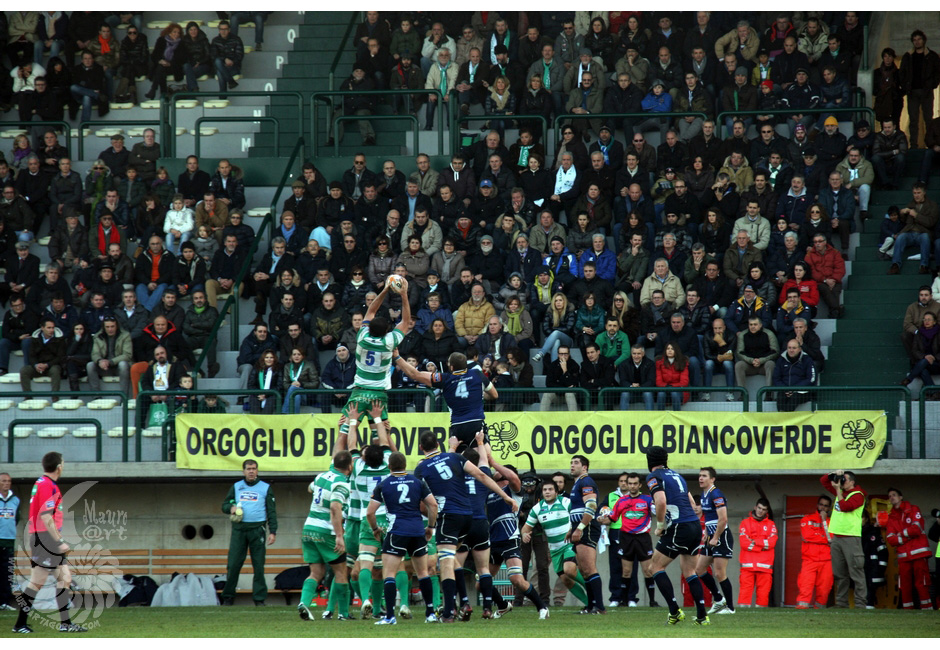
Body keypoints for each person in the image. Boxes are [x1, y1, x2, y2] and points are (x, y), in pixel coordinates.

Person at [414, 430, 517, 622]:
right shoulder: (455, 458)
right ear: (438, 445)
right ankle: (465, 603)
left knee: (445, 563)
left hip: (448, 517)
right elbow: (481, 474)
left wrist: (430, 524)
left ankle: (449, 611)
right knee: (454, 560)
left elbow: (425, 502)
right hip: (468, 517)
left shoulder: (421, 468)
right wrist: (505, 496)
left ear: (421, 448)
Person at [12, 451, 86, 633]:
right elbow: (46, 517)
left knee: (64, 578)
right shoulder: (46, 485)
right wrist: (59, 541)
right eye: (63, 463)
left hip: (45, 538)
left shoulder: (44, 483)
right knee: (37, 581)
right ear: (59, 467)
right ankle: (20, 624)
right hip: (45, 538)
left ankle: (65, 623)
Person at [366, 447, 440, 625]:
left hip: (397, 531)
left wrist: (375, 529)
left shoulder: (384, 485)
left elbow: (370, 512)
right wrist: (431, 527)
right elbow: (433, 505)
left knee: (389, 574)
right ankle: (430, 613)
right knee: (423, 573)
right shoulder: (417, 482)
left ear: (389, 466)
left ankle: (390, 616)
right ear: (405, 465)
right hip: (417, 531)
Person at [645, 445, 710, 625]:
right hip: (694, 525)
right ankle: (702, 616)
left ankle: (674, 611)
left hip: (679, 527)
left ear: (649, 461)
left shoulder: (654, 476)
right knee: (690, 571)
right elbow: (692, 502)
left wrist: (660, 526)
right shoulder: (677, 476)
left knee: (655, 568)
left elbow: (661, 501)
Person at [299, 443, 353, 620]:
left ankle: (304, 602)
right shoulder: (342, 482)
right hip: (326, 531)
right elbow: (335, 508)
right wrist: (339, 536)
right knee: (341, 572)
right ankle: (343, 613)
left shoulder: (321, 476)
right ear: (349, 466)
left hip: (309, 528)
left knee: (315, 573)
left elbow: (310, 488)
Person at [522, 480, 590, 610]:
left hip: (569, 544)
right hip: (554, 549)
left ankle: (593, 592)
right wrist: (525, 534)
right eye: (545, 490)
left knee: (569, 569)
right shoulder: (537, 508)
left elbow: (580, 516)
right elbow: (526, 528)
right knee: (566, 580)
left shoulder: (566, 502)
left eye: (550, 489)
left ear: (556, 492)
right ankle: (589, 604)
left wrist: (574, 530)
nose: (547, 492)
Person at [220, 459, 277, 606]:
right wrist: (231, 508)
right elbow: (224, 505)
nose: (251, 471)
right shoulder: (236, 486)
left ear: (257, 470)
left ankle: (259, 598)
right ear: (243, 471)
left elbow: (271, 511)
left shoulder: (265, 487)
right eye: (248, 469)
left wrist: (273, 531)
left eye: (254, 468)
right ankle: (228, 597)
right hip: (239, 530)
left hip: (258, 530)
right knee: (233, 564)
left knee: (258, 565)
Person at [599, 472, 657, 608]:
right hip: (626, 538)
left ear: (640, 485)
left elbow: (657, 511)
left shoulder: (648, 499)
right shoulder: (621, 501)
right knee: (626, 571)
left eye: (635, 483)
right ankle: (624, 601)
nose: (632, 486)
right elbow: (612, 518)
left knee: (648, 571)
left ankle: (652, 601)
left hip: (643, 538)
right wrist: (600, 519)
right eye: (629, 483)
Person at [820, 470, 868, 608]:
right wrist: (833, 473)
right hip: (837, 537)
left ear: (852, 482)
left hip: (851, 537)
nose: (841, 481)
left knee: (856, 572)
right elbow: (823, 481)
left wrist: (838, 490)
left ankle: (860, 603)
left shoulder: (858, 495)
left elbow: (845, 507)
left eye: (844, 479)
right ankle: (841, 603)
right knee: (839, 573)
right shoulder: (840, 492)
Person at [566, 455, 606, 614]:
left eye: (576, 463)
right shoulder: (577, 483)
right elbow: (578, 510)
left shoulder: (586, 481)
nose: (572, 465)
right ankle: (590, 606)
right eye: (571, 463)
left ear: (585, 467)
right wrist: (572, 528)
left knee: (589, 568)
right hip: (580, 527)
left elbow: (591, 506)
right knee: (583, 570)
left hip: (587, 527)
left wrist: (580, 528)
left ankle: (599, 607)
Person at [693, 467, 736, 615]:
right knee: (699, 569)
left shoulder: (716, 494)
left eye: (704, 476)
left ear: (712, 479)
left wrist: (716, 537)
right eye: (700, 475)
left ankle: (730, 608)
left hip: (721, 536)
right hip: (711, 536)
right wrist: (706, 533)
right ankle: (718, 599)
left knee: (719, 573)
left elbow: (723, 519)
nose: (701, 478)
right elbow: (709, 517)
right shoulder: (704, 495)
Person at [885, 487, 933, 610]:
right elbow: (890, 539)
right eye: (889, 496)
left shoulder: (913, 509)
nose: (891, 498)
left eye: (894, 495)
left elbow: (917, 529)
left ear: (901, 497)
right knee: (904, 585)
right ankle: (907, 611)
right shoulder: (891, 517)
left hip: (919, 553)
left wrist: (900, 535)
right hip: (903, 556)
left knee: (921, 583)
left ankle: (927, 609)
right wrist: (907, 536)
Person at [899, 30, 940, 149]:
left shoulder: (932, 56)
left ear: (924, 40)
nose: (917, 42)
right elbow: (902, 73)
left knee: (928, 119)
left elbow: (937, 72)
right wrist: (906, 86)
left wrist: (932, 85)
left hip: (926, 91)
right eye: (915, 40)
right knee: (913, 120)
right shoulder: (908, 56)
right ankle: (913, 145)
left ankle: (930, 145)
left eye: (919, 39)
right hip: (912, 92)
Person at [887, 182, 938, 275]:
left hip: (923, 232)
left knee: (925, 237)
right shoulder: (910, 204)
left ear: (924, 192)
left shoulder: (932, 205)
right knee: (900, 237)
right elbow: (905, 221)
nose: (916, 195)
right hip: (910, 232)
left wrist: (916, 215)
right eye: (914, 193)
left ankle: (924, 266)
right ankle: (895, 265)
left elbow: (930, 222)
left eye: (918, 193)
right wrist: (902, 214)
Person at [796, 494, 834, 609]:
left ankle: (820, 610)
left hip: (826, 560)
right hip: (809, 559)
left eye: (826, 506)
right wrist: (824, 539)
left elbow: (832, 539)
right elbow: (807, 536)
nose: (823, 508)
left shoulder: (832, 522)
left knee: (824, 588)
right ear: (817, 505)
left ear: (829, 508)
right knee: (805, 586)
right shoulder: (807, 519)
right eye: (821, 505)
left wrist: (824, 522)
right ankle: (801, 609)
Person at [738, 499, 778, 608]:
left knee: (763, 595)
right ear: (755, 507)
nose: (760, 511)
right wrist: (762, 546)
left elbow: (772, 543)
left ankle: (761, 616)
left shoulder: (771, 524)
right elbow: (744, 543)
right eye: (759, 508)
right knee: (744, 595)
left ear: (767, 511)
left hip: (765, 566)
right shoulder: (745, 523)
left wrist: (754, 541)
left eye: (763, 509)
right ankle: (742, 616)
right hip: (748, 565)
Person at [772, 338, 817, 411]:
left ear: (800, 349)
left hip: (802, 391)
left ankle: (787, 418)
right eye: (789, 348)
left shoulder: (807, 360)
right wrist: (785, 389)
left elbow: (811, 378)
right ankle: (781, 416)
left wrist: (794, 388)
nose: (791, 350)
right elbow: (776, 378)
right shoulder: (781, 360)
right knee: (780, 397)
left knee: (793, 400)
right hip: (785, 390)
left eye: (794, 348)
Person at [0, 471, 20, 611]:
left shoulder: (15, 500)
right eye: (3, 481)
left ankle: (4, 602)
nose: (6, 483)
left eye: (8, 481)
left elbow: (16, 519)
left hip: (9, 541)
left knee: (7, 572)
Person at [541, 345, 580, 411]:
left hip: (570, 396)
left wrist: (565, 371)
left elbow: (573, 384)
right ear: (558, 354)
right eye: (561, 354)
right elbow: (549, 384)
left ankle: (573, 416)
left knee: (569, 393)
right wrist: (565, 388)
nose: (563, 356)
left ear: (569, 354)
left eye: (565, 354)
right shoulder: (553, 365)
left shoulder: (574, 365)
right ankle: (542, 417)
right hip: (557, 395)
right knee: (546, 394)